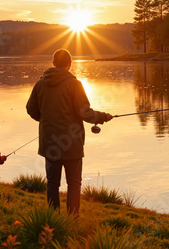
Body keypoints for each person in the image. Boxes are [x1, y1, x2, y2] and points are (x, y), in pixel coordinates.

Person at [26, 49, 113, 215]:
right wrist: (103, 116)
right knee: (74, 184)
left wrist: (47, 121)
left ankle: (53, 219)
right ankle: (72, 219)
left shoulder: (40, 84)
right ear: (70, 64)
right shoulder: (75, 84)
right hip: (71, 143)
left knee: (52, 183)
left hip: (49, 142)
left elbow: (31, 110)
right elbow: (85, 113)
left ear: (53, 64)